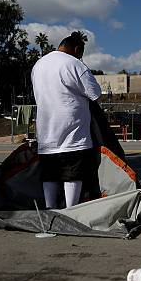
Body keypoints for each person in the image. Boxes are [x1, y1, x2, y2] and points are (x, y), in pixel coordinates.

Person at [31, 31, 102, 209]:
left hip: (46, 132)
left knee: (50, 174)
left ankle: (50, 208)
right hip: (72, 131)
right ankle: (71, 209)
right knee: (73, 173)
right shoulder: (75, 64)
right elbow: (95, 93)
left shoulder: (38, 65)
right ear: (77, 49)